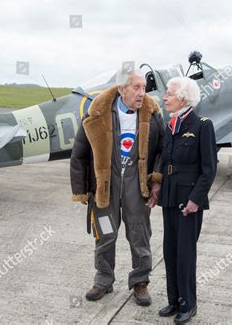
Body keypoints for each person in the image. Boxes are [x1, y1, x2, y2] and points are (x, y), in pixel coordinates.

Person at [70, 68, 165, 306]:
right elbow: (79, 154)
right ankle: (103, 280)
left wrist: (156, 181)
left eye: (144, 87)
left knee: (139, 235)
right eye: (136, 87)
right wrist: (81, 189)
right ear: (122, 89)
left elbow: (163, 151)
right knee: (104, 235)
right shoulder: (98, 114)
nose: (142, 92)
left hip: (137, 187)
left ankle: (140, 282)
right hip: (105, 189)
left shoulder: (152, 116)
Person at [158, 77, 217, 324]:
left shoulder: (202, 125)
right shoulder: (171, 124)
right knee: (169, 252)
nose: (164, 98)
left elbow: (209, 168)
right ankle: (174, 301)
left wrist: (195, 200)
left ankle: (188, 304)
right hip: (170, 198)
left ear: (182, 98)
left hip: (188, 202)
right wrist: (155, 189)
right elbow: (165, 162)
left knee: (185, 254)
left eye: (169, 94)